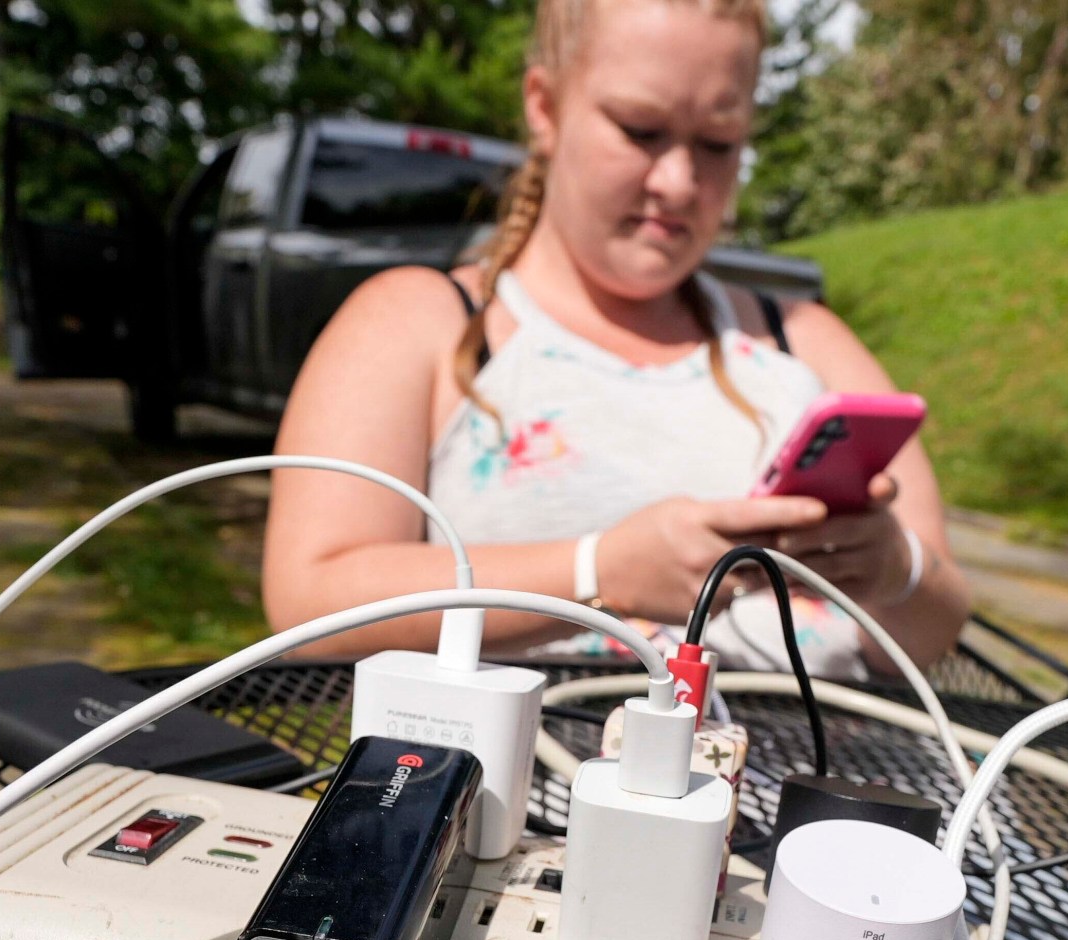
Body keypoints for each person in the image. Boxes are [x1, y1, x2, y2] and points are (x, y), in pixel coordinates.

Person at [258, 0, 968, 679]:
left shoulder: (806, 341)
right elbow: (308, 596)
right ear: (545, 106)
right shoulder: (418, 322)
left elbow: (934, 632)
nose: (680, 181)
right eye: (640, 129)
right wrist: (599, 574)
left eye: (718, 143)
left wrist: (891, 571)